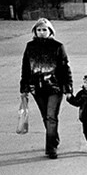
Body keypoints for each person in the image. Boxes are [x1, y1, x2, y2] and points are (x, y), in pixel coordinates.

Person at [19, 18, 73, 159]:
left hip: (55, 87)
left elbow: (65, 68)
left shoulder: (58, 46)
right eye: (39, 30)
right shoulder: (30, 47)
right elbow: (25, 68)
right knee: (46, 117)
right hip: (37, 88)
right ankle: (53, 138)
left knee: (51, 117)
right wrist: (24, 87)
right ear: (35, 32)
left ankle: (51, 148)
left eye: (44, 29)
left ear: (50, 31)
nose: (42, 32)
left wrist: (68, 88)